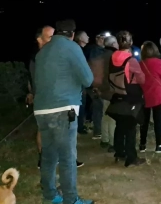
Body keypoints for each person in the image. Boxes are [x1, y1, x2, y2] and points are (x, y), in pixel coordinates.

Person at [33, 19, 94, 204]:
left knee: (49, 155)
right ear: (72, 34)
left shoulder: (42, 52)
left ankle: (50, 195)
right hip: (63, 109)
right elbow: (88, 79)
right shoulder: (72, 47)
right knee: (67, 157)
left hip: (42, 111)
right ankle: (71, 199)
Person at [108, 31, 146, 167]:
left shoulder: (113, 56)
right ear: (130, 42)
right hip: (130, 97)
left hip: (117, 95)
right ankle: (131, 157)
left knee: (120, 126)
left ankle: (119, 153)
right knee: (131, 128)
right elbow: (141, 78)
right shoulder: (131, 60)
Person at [27, 25, 61, 169]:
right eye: (50, 38)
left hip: (54, 98)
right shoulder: (37, 57)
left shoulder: (51, 54)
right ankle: (44, 159)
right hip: (44, 99)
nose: (53, 41)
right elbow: (33, 79)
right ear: (39, 39)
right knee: (44, 129)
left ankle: (56, 157)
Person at [89, 35, 118, 152]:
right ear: (113, 44)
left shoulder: (100, 56)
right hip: (112, 90)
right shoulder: (114, 56)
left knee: (105, 116)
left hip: (102, 90)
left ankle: (104, 139)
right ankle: (113, 142)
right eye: (116, 42)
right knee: (113, 118)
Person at [139, 41, 161, 153]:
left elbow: (138, 79)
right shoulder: (158, 62)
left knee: (144, 120)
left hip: (144, 94)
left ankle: (142, 144)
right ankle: (159, 145)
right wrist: (160, 87)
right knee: (158, 120)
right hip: (157, 94)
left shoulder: (141, 63)